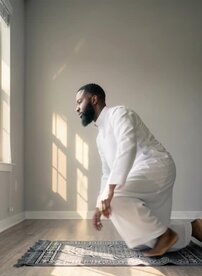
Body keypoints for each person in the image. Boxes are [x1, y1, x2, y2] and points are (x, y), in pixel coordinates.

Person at [75, 83, 202, 256]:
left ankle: (165, 235)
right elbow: (107, 172)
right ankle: (192, 228)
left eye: (80, 101)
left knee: (115, 199)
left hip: (156, 167)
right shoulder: (100, 138)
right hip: (135, 177)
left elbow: (127, 147)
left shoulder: (119, 113)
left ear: (94, 99)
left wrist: (111, 190)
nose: (77, 108)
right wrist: (99, 205)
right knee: (142, 241)